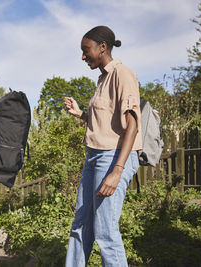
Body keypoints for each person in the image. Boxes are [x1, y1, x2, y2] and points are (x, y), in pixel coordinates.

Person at [64, 26, 142, 267]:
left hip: (113, 157)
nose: (83, 56)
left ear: (102, 47)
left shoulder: (122, 74)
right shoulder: (103, 78)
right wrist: (80, 114)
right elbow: (107, 121)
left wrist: (117, 171)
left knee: (105, 230)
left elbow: (132, 125)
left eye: (86, 50)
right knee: (81, 224)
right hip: (94, 157)